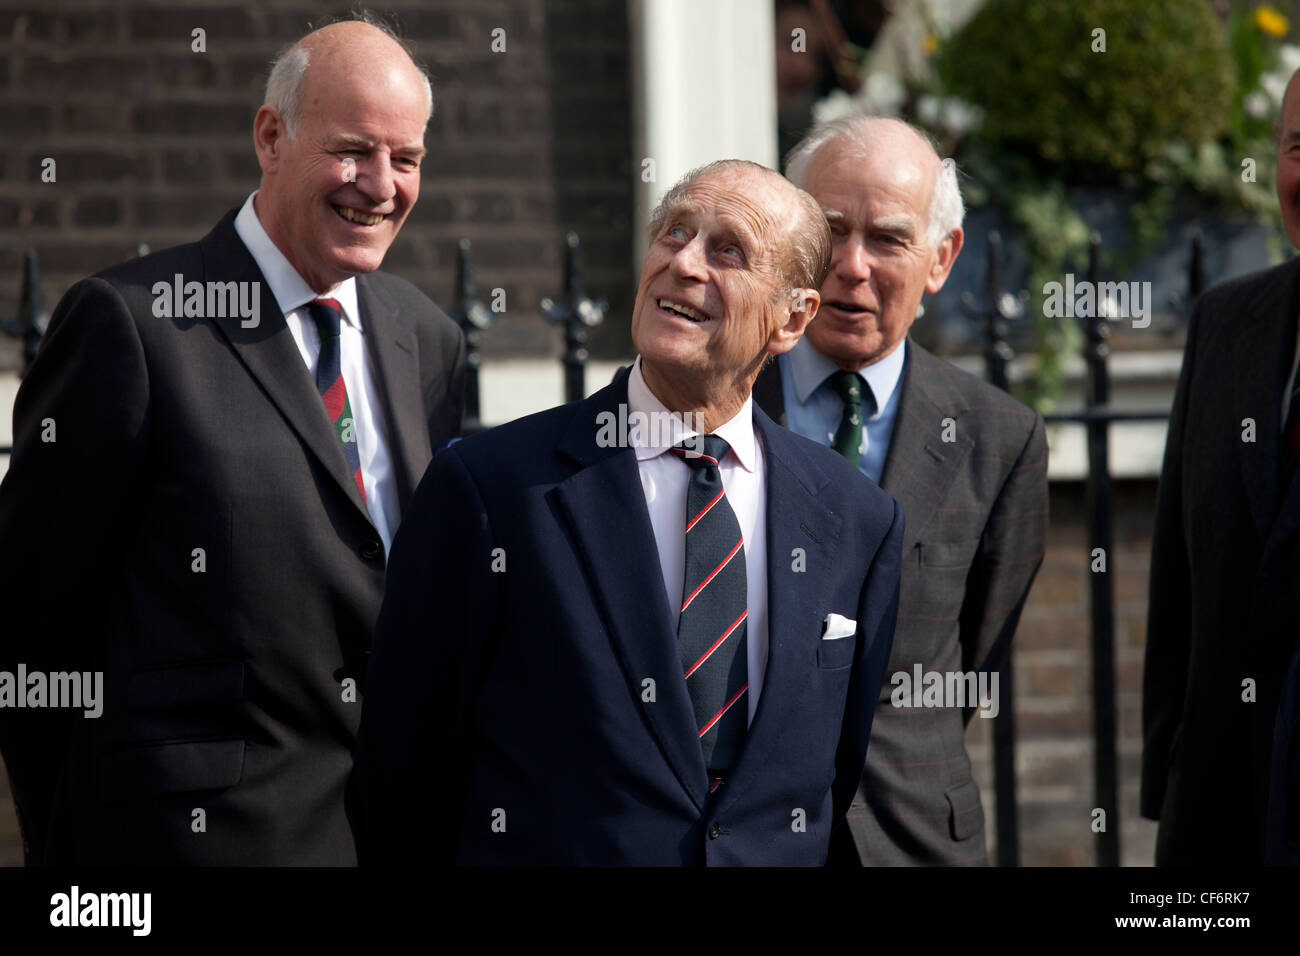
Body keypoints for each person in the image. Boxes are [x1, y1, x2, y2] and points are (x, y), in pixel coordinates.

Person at [0, 17, 465, 865]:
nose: (381, 184)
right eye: (354, 149)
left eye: (407, 159)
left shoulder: (425, 339)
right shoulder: (133, 326)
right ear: (270, 135)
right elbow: (31, 628)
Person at [355, 159, 903, 866]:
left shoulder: (856, 518)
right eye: (674, 233)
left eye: (727, 250)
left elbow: (834, 773)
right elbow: (404, 776)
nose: (684, 263)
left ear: (793, 317)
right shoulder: (492, 490)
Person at [754, 113, 1048, 865]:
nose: (851, 265)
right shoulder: (720, 402)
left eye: (887, 239)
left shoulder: (999, 438)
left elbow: (975, 655)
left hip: (914, 838)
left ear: (941, 256)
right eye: (829, 231)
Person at [1142, 68, 1300, 866]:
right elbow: (1178, 570)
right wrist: (1168, 774)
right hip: (1219, 820)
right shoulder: (1225, 321)